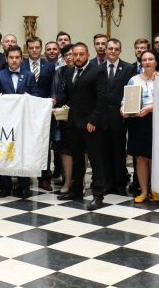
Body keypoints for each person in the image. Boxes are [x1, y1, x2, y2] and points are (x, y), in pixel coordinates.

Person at [58, 43, 107, 211]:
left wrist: (93, 121)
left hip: (90, 124)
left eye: (81, 54)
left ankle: (98, 195)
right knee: (78, 159)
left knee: (95, 160)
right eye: (75, 54)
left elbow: (102, 98)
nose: (77, 57)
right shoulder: (70, 71)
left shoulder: (97, 71)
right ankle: (77, 191)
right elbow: (69, 95)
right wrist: (54, 101)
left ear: (87, 55)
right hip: (73, 123)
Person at [0, 45, 39, 198]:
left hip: (23, 122)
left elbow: (35, 94)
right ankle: (5, 186)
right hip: (4, 122)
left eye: (17, 57)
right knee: (5, 152)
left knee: (22, 152)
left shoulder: (29, 75)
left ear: (21, 59)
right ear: (6, 59)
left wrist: (28, 97)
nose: (14, 60)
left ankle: (24, 185)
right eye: (11, 57)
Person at [121, 50, 159, 204]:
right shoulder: (134, 79)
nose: (147, 62)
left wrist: (150, 109)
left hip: (156, 121)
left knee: (154, 157)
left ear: (156, 61)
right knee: (140, 158)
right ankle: (144, 191)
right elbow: (125, 101)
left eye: (151, 59)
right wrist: (123, 110)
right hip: (137, 122)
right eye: (144, 60)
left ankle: (155, 190)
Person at [21, 37, 56, 191]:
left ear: (41, 49)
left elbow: (53, 87)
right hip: (24, 111)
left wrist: (52, 101)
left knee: (44, 144)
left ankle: (44, 178)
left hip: (43, 112)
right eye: (31, 48)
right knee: (24, 143)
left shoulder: (49, 66)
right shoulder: (20, 64)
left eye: (37, 47)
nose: (34, 50)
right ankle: (24, 177)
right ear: (27, 49)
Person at [100, 38, 133, 195]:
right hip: (102, 118)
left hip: (120, 117)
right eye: (110, 48)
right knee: (104, 152)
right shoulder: (98, 69)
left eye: (116, 49)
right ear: (106, 50)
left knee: (119, 152)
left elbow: (131, 91)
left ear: (120, 51)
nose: (113, 51)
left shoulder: (128, 68)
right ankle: (107, 183)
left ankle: (120, 184)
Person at [52, 44, 74, 193]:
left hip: (80, 116)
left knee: (80, 150)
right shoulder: (60, 71)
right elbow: (56, 93)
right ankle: (67, 181)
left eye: (72, 54)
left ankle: (78, 182)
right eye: (66, 55)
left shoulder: (84, 71)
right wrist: (54, 103)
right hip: (63, 116)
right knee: (65, 149)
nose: (70, 57)